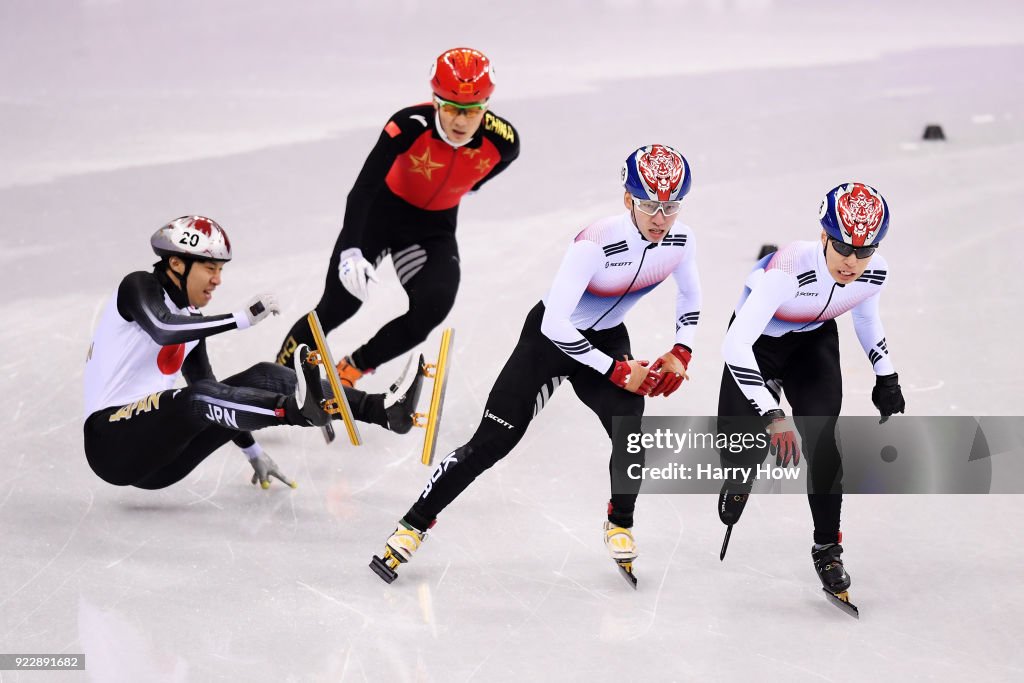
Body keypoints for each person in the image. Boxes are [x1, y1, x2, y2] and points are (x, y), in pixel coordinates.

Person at [370, 144, 702, 583]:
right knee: (491, 443)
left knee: (631, 436)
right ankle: (413, 525)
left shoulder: (681, 240)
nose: (661, 218)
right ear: (628, 200)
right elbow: (555, 326)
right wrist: (617, 370)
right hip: (548, 342)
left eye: (672, 206)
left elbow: (690, 294)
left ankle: (620, 523)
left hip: (605, 338)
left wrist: (682, 350)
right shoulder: (595, 243)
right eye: (650, 205)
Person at [83, 215, 423, 491]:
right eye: (209, 268)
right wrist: (240, 319)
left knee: (264, 375)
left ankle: (381, 410)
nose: (217, 280)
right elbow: (163, 327)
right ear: (175, 263)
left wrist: (252, 451)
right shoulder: (138, 287)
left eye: (220, 270)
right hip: (110, 444)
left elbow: (213, 392)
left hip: (163, 464)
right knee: (195, 397)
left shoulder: (192, 321)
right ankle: (295, 411)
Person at [275, 47, 520, 386]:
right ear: (435, 101)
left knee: (432, 307)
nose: (460, 120)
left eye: (472, 110)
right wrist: (351, 250)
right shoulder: (406, 126)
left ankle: (352, 369)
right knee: (339, 305)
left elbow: (501, 163)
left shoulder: (503, 142)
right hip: (379, 216)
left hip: (433, 229)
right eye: (450, 108)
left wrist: (469, 185)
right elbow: (362, 190)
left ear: (486, 107)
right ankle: (279, 374)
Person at [716, 182, 906, 598]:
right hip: (758, 345)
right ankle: (739, 473)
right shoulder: (786, 271)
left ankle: (827, 549)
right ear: (823, 237)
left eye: (865, 250)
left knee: (823, 444)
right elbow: (735, 345)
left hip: (812, 344)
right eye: (842, 247)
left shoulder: (874, 270)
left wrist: (885, 374)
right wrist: (772, 413)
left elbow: (866, 318)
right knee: (735, 443)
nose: (852, 262)